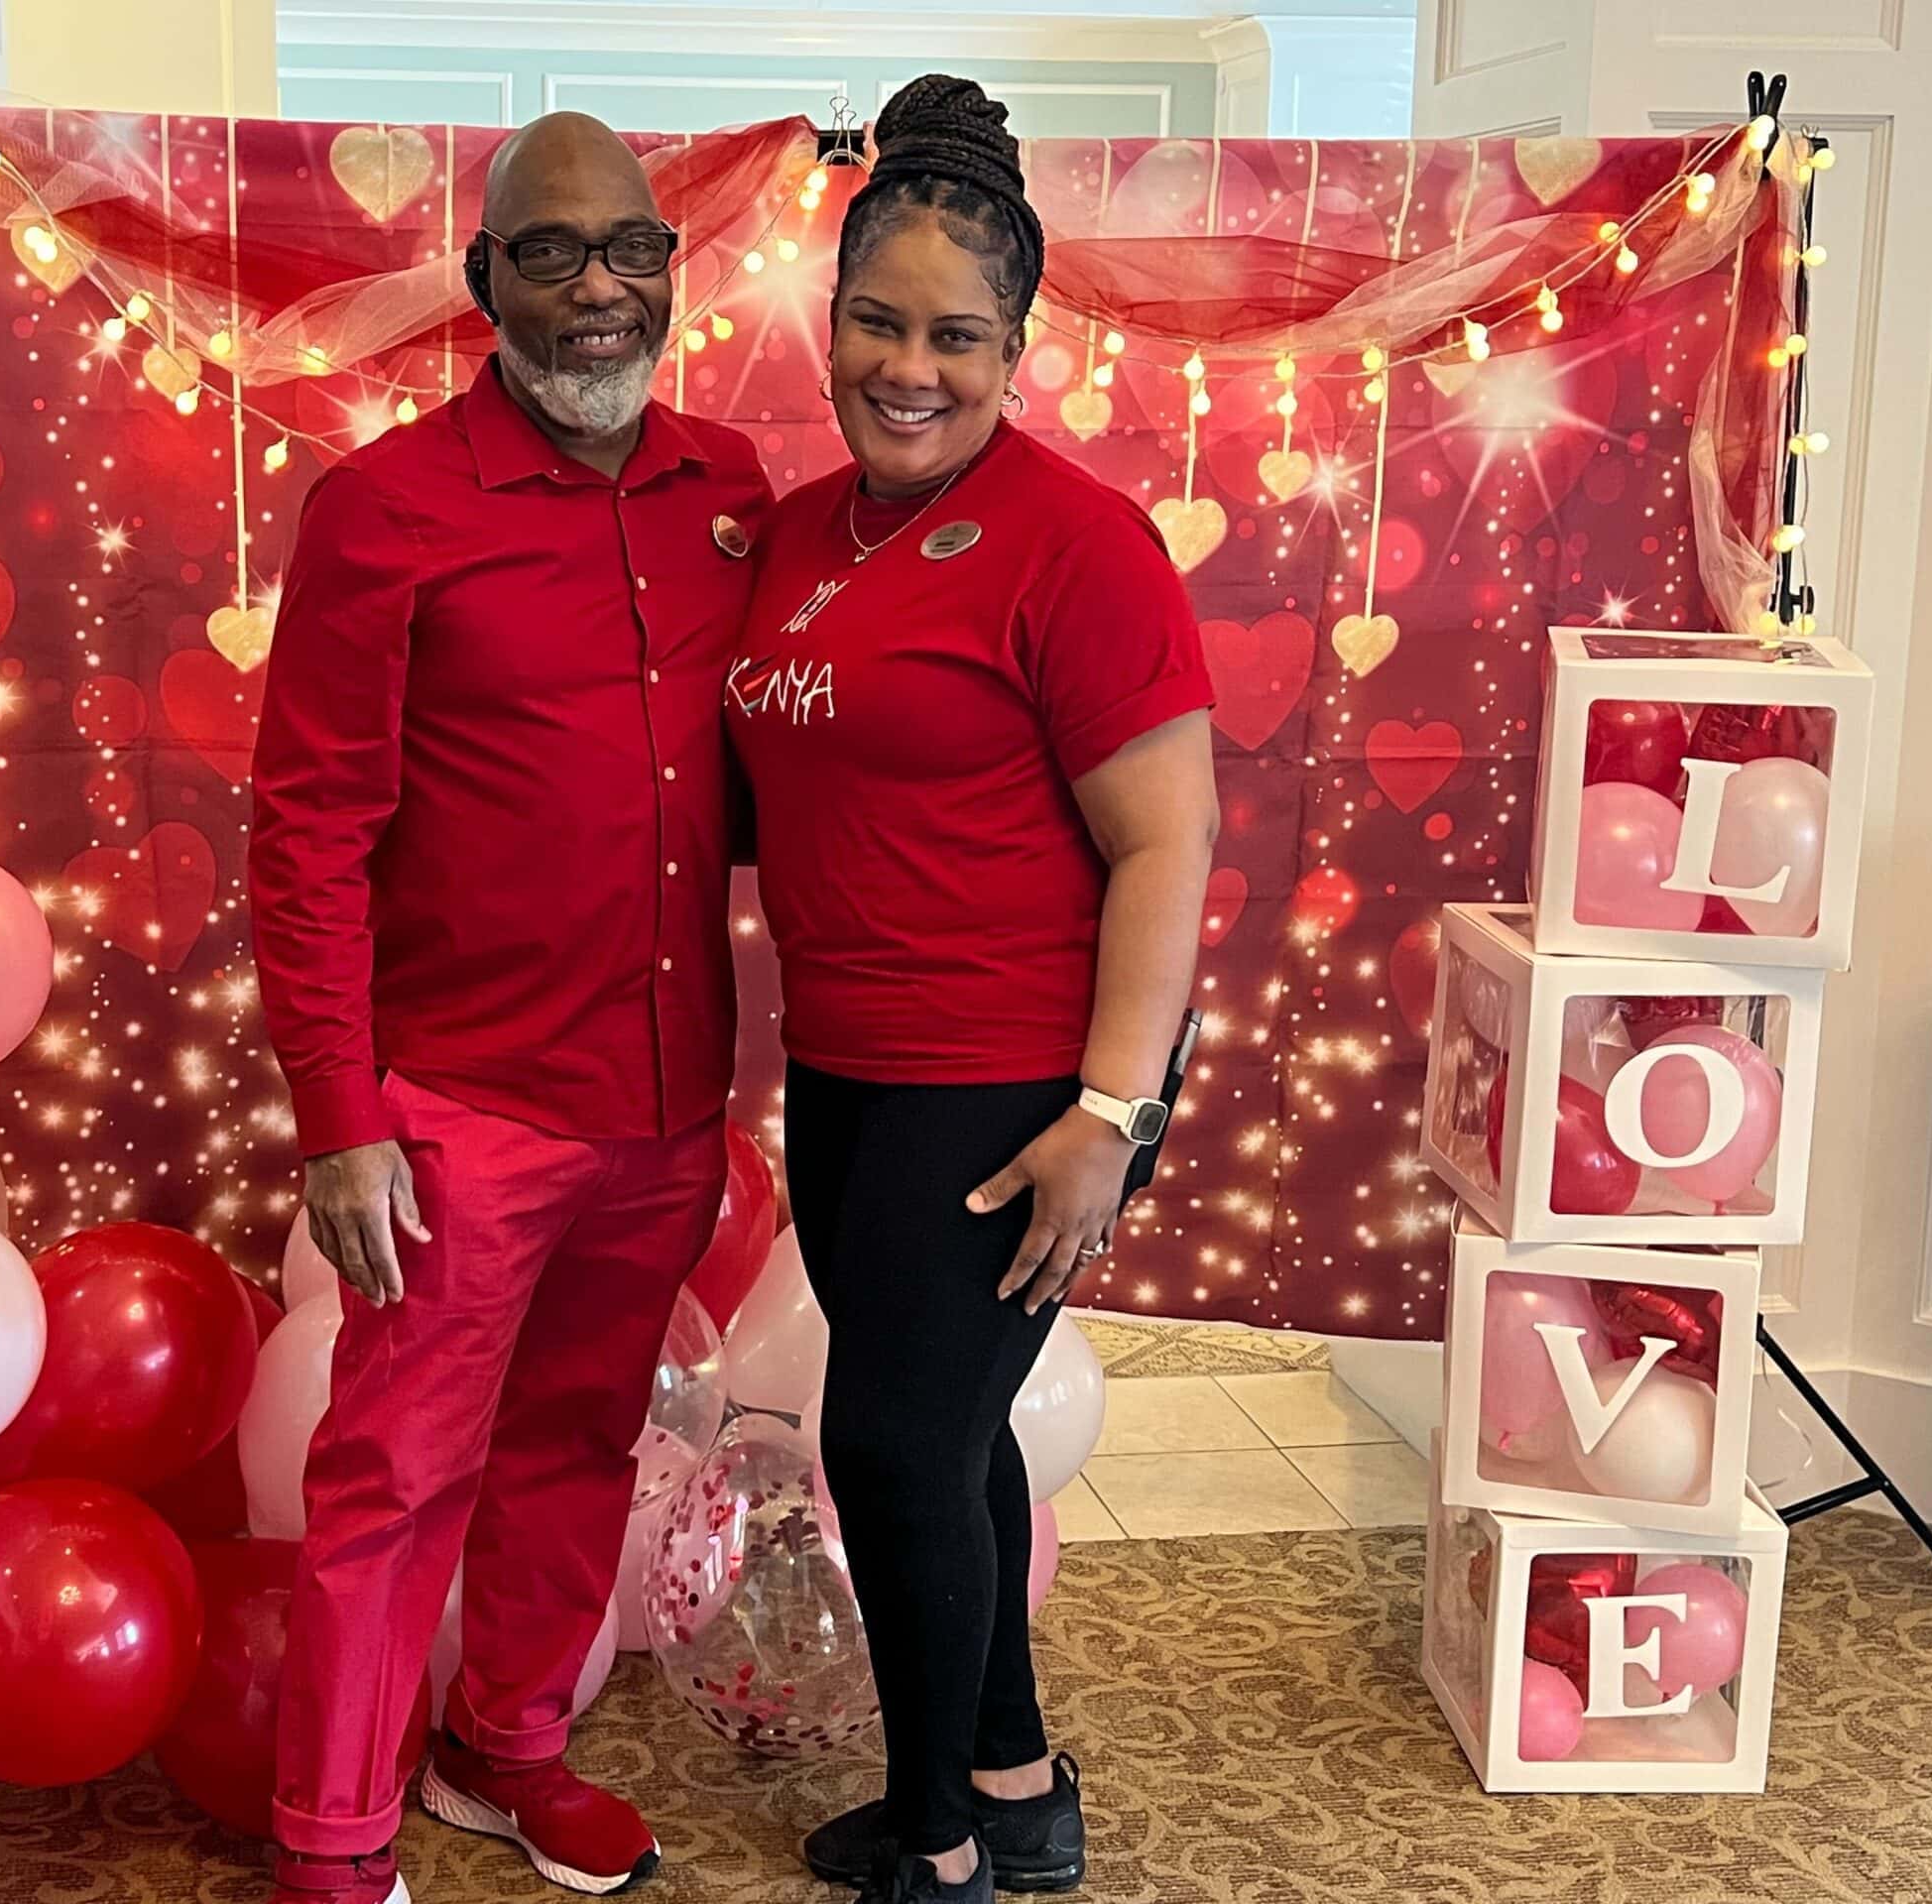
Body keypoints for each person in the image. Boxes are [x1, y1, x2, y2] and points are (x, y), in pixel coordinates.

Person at [247, 111, 773, 1904]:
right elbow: (307, 831)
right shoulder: (383, 511)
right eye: (551, 253)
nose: (600, 288)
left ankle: (509, 1743)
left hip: (666, 1096)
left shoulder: (735, 497)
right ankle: (330, 1846)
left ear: (669, 269)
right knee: (392, 1481)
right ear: (484, 284)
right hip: (460, 1106)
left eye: (632, 248)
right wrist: (338, 1115)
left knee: (582, 1441)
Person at [724, 75, 1219, 1904]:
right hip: (850, 1073)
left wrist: (1113, 1114)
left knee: (893, 1445)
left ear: (1016, 352)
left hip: (1021, 1088)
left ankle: (935, 1854)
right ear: (830, 315)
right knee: (947, 1430)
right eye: (878, 321)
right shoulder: (791, 539)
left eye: (957, 337)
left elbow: (1170, 844)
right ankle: (1013, 1780)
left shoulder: (1076, 544)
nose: (908, 367)